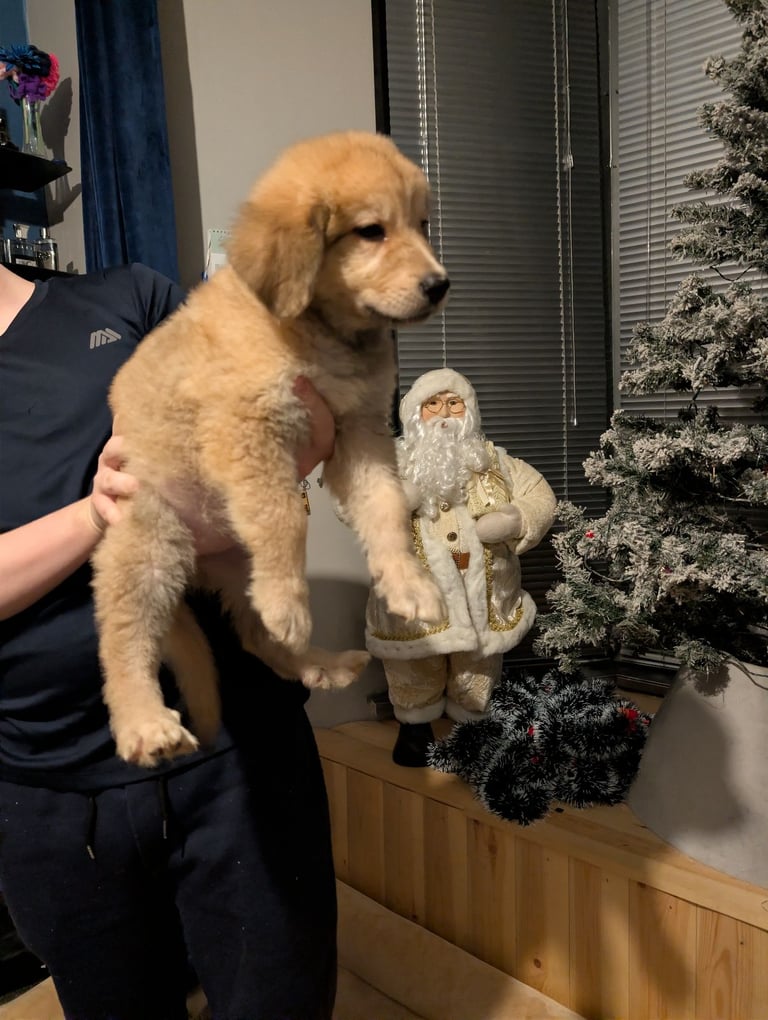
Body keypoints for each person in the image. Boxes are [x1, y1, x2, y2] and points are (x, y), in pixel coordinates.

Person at [0, 261, 338, 1019]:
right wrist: (97, 513)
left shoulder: (127, 299)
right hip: (51, 794)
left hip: (235, 751)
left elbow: (273, 458)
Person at [365, 368, 557, 767]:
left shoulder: (493, 460)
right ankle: (414, 727)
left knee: (478, 665)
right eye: (433, 404)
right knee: (414, 663)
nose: (444, 413)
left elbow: (540, 496)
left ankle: (473, 727)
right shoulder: (391, 461)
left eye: (454, 403)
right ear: (415, 413)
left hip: (486, 594)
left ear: (469, 411)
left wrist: (513, 519)